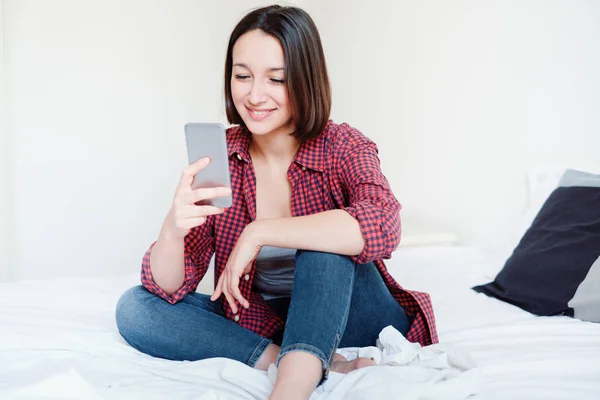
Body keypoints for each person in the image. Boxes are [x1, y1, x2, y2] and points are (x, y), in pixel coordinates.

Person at [115, 4, 438, 400]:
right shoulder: (224, 155)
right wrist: (172, 228)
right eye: (242, 76)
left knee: (323, 244)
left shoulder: (344, 146)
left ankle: (289, 389)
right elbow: (170, 288)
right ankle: (304, 360)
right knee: (136, 308)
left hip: (355, 318)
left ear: (305, 80)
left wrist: (260, 231)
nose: (254, 95)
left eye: (276, 79)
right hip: (267, 322)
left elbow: (382, 226)